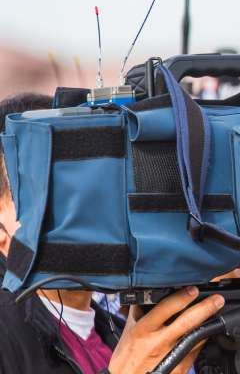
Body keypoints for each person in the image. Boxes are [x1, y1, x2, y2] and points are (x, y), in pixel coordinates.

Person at [0, 93, 225, 373]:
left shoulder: (124, 332)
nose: (82, 208)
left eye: (93, 184)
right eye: (53, 193)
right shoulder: (8, 336)